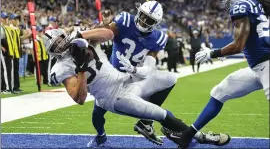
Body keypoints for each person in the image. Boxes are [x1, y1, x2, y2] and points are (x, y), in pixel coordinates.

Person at [43, 28, 228, 148]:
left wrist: (82, 35)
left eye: (60, 40)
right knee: (162, 114)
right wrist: (82, 69)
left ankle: (144, 123)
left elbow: (108, 34)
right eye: (56, 45)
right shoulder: (61, 67)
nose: (61, 45)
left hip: (126, 80)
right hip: (114, 97)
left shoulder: (83, 41)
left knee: (170, 77)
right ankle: (198, 136)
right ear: (52, 51)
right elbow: (80, 98)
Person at [162, 0, 270, 149]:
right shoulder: (258, 4)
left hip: (267, 65)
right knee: (220, 91)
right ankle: (187, 136)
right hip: (257, 67)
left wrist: (212, 53)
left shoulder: (243, 6)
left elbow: (238, 45)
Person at [91, 1, 175, 146]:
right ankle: (101, 135)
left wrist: (134, 69)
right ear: (138, 12)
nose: (143, 21)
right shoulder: (124, 21)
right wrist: (104, 26)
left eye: (149, 20)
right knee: (97, 113)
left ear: (155, 23)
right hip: (112, 76)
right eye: (143, 16)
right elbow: (104, 34)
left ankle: (147, 122)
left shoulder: (157, 38)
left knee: (166, 82)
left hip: (134, 79)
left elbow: (148, 69)